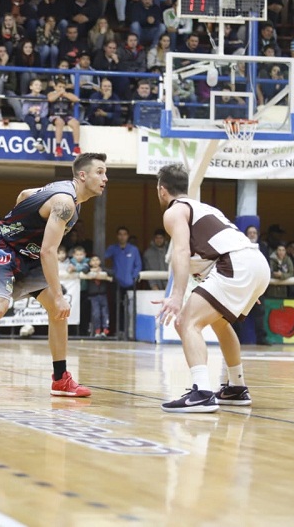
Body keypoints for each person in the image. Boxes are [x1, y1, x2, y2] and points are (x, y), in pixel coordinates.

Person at [0, 152, 109, 397]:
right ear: (83, 175)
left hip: (27, 254)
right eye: (100, 172)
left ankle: (60, 379)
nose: (105, 178)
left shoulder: (66, 195)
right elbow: (48, 251)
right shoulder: (65, 203)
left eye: (105, 173)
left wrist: (19, 219)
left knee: (58, 313)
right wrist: (58, 295)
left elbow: (25, 195)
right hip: (3, 248)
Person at [154, 164, 269, 413]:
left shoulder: (174, 212)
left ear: (162, 190)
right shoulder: (204, 208)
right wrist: (248, 285)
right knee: (219, 322)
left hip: (235, 264)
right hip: (255, 262)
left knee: (185, 322)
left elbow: (181, 251)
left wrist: (176, 296)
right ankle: (236, 387)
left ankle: (202, 392)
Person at [104, 226, 142, 337]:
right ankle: (118, 331)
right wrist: (109, 272)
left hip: (130, 284)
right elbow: (101, 258)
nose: (122, 237)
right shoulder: (113, 248)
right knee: (117, 308)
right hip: (117, 283)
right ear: (117, 236)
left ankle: (129, 331)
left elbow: (138, 265)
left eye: (124, 234)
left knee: (130, 308)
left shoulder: (133, 249)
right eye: (120, 234)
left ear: (128, 236)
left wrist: (134, 277)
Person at [86, 254, 112, 337]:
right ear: (90, 263)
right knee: (96, 313)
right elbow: (83, 270)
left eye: (97, 260)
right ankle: (97, 330)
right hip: (93, 296)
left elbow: (112, 273)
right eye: (93, 260)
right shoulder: (88, 270)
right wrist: (91, 270)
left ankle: (105, 330)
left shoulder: (103, 270)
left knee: (105, 313)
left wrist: (101, 270)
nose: (95, 262)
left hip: (103, 295)